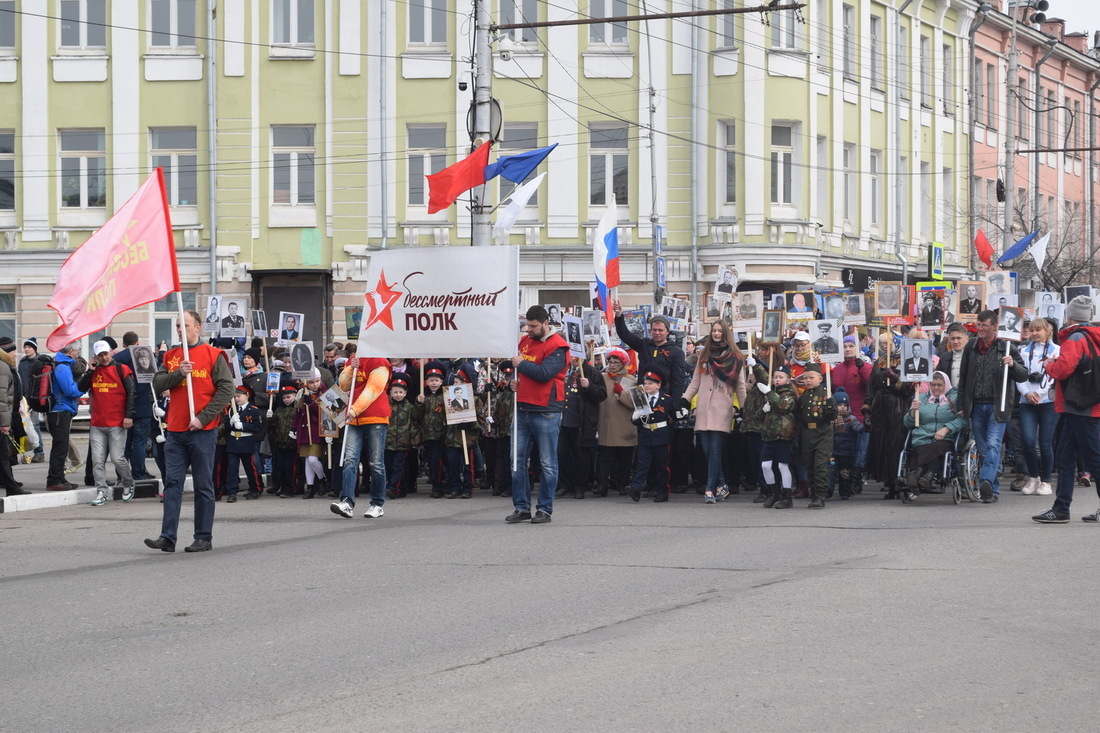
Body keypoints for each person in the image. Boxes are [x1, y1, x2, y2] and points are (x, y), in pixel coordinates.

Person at [144, 310, 235, 553]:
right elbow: (157, 383)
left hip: (202, 430)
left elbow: (226, 390)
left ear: (197, 327)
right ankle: (167, 537)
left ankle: (203, 537)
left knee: (203, 484)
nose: (180, 329)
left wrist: (204, 417)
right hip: (175, 428)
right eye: (177, 326)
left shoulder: (214, 355)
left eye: (184, 325)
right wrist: (178, 373)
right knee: (172, 483)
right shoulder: (172, 355)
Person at [1032, 296, 1100, 523]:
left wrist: (1050, 365)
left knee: (1092, 458)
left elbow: (1063, 369)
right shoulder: (1093, 336)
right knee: (1066, 456)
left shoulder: (1076, 338)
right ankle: (1061, 508)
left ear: (1070, 316)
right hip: (1088, 404)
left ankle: (1061, 509)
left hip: (1080, 406)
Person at [956, 310, 1028, 503]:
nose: (980, 329)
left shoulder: (1006, 347)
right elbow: (963, 378)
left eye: (984, 325)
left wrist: (1012, 365)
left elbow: (1023, 375)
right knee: (982, 448)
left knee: (993, 444)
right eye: (978, 325)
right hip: (976, 406)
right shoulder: (971, 346)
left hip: (998, 405)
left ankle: (986, 480)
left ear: (995, 326)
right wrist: (961, 403)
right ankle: (992, 490)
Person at [506, 304, 569, 524]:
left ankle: (544, 509)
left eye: (533, 326)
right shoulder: (524, 342)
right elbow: (517, 369)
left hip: (546, 410)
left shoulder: (558, 346)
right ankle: (522, 507)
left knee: (547, 463)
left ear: (545, 323)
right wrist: (512, 381)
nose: (529, 330)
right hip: (522, 407)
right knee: (517, 460)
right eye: (527, 326)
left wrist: (521, 365)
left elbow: (544, 374)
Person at [682, 320, 746, 504]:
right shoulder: (704, 353)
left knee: (716, 450)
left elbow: (740, 386)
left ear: (726, 333)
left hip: (722, 407)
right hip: (703, 408)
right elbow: (695, 381)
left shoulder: (735, 356)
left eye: (720, 331)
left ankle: (710, 489)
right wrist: (685, 399)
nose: (716, 333)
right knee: (707, 450)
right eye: (714, 330)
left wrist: (744, 407)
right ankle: (722, 484)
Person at [329, 354, 391, 519]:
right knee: (350, 460)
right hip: (354, 418)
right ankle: (347, 502)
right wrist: (350, 368)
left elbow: (373, 390)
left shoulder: (380, 361)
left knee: (376, 463)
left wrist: (353, 410)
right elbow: (343, 385)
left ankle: (377, 504)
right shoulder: (354, 358)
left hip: (375, 416)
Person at [77, 340, 136, 506]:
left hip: (117, 423)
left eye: (106, 354)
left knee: (118, 459)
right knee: (97, 460)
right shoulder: (93, 372)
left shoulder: (122, 369)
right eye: (100, 355)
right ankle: (101, 491)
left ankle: (128, 482)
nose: (104, 358)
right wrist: (89, 370)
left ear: (111, 352)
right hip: (97, 423)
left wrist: (129, 415)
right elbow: (80, 388)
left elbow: (131, 393)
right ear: (96, 356)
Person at [901, 371, 966, 498]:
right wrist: (913, 413)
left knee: (938, 446)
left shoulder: (955, 398)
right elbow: (906, 422)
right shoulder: (921, 397)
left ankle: (918, 472)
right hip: (922, 436)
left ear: (946, 385)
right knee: (920, 447)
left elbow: (964, 420)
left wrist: (947, 429)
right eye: (933, 385)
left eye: (939, 385)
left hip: (945, 437)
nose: (936, 388)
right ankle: (925, 477)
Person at [865, 332, 914, 500]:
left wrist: (894, 378)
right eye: (882, 344)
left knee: (895, 444)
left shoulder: (903, 361)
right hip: (880, 407)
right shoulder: (878, 363)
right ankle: (888, 482)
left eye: (889, 343)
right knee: (882, 445)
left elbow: (909, 389)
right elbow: (871, 387)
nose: (886, 346)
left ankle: (898, 481)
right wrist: (867, 409)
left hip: (897, 406)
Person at [1015, 318, 1059, 497]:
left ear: (1047, 331)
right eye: (1032, 330)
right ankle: (1034, 476)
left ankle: (1046, 481)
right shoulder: (1024, 350)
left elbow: (1054, 375)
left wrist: (1039, 394)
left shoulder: (1056, 350)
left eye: (1038, 330)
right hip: (1027, 402)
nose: (1034, 333)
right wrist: (1026, 394)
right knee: (1027, 440)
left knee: (1045, 442)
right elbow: (1020, 375)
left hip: (1048, 401)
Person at [613, 301, 688, 402]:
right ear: (650, 331)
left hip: (663, 399)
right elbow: (624, 335)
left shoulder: (676, 352)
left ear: (667, 332)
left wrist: (674, 405)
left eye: (660, 330)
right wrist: (619, 316)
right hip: (642, 397)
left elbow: (678, 381)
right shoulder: (644, 344)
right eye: (654, 330)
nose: (657, 333)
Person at [555, 356, 606, 500]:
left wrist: (589, 386)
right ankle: (565, 484)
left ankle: (580, 486)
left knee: (581, 456)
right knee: (561, 454)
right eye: (571, 356)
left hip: (581, 421)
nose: (573, 359)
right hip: (564, 421)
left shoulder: (592, 372)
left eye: (576, 356)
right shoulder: (565, 370)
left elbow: (602, 395)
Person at [624, 366, 675, 503]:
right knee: (642, 464)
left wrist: (680, 414)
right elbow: (635, 419)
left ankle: (662, 491)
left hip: (661, 435)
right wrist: (638, 418)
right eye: (645, 383)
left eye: (650, 383)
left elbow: (673, 416)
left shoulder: (667, 400)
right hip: (646, 434)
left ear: (658, 385)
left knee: (661, 466)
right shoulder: (640, 398)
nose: (647, 386)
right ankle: (635, 488)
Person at [113, 333, 156, 481]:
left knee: (124, 443)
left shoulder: (118, 358)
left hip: (123, 408)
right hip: (143, 406)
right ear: (137, 342)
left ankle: (122, 475)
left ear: (123, 344)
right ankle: (138, 473)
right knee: (139, 443)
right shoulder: (145, 355)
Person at [793, 364, 836, 509]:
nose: (808, 381)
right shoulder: (803, 397)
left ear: (820, 378)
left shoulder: (826, 394)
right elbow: (799, 418)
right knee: (809, 465)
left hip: (822, 433)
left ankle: (820, 495)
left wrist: (830, 406)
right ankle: (814, 491)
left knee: (819, 465)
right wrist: (796, 437)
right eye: (805, 378)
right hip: (807, 434)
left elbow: (832, 416)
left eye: (811, 378)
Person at [756, 365, 798, 508]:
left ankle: (787, 496)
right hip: (769, 435)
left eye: (781, 377)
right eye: (775, 377)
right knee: (765, 466)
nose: (777, 380)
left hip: (783, 435)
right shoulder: (771, 394)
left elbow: (783, 406)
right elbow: (758, 417)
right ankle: (774, 492)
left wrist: (769, 392)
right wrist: (763, 410)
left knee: (782, 466)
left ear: (787, 379)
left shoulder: (790, 394)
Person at [444, 363, 486, 500]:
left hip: (468, 438)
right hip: (452, 438)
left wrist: (468, 423)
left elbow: (481, 420)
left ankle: (468, 488)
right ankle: (455, 487)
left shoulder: (474, 399)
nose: (454, 384)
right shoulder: (450, 398)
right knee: (453, 464)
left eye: (457, 382)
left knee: (469, 465)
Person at [45, 342, 83, 492]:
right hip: (60, 411)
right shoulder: (62, 367)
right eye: (77, 351)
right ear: (70, 351)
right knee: (60, 447)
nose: (78, 354)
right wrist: (82, 387)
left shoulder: (62, 364)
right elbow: (70, 391)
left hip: (60, 410)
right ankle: (54, 480)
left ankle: (60, 478)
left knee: (61, 445)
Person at [0, 338, 30, 496]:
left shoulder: (7, 367)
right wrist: (5, 423)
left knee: (4, 455)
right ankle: (12, 488)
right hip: (3, 419)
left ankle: (11, 485)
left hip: (8, 415)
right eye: (13, 351)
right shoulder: (3, 367)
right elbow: (2, 398)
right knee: (4, 455)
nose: (15, 355)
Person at [224, 385, 263, 501]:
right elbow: (226, 426)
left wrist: (243, 426)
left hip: (246, 442)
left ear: (247, 396)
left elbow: (257, 427)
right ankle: (232, 492)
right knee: (232, 469)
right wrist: (230, 422)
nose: (236, 399)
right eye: (235, 397)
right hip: (233, 442)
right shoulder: (232, 409)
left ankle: (255, 489)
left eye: (239, 396)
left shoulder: (254, 410)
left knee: (250, 468)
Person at [416, 360, 449, 498]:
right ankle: (436, 486)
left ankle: (443, 485)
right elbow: (417, 416)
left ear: (441, 381)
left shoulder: (446, 396)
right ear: (427, 382)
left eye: (436, 380)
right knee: (432, 462)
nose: (434, 383)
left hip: (443, 435)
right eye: (431, 380)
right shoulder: (424, 397)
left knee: (443, 462)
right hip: (428, 435)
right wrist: (419, 403)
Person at [385, 372, 420, 499]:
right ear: (390, 393)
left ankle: (393, 488)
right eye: (395, 392)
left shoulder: (410, 407)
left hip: (403, 443)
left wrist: (419, 403)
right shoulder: (386, 407)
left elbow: (416, 420)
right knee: (389, 466)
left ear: (405, 393)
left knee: (398, 466)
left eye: (401, 392)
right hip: (388, 442)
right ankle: (401, 488)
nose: (398, 395)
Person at [829, 387, 863, 500]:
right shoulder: (831, 419)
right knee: (831, 472)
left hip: (847, 452)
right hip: (832, 451)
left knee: (845, 473)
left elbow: (858, 428)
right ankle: (828, 490)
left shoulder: (851, 419)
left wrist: (865, 427)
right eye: (839, 405)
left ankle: (845, 492)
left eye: (844, 404)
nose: (842, 407)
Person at [268, 384, 299, 497]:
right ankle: (282, 486)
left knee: (290, 467)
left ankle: (290, 488)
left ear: (295, 395)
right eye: (284, 398)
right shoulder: (279, 410)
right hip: (280, 443)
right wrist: (270, 418)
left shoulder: (298, 409)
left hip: (292, 444)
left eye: (289, 397)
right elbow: (273, 426)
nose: (286, 400)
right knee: (280, 466)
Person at [17, 337, 44, 464]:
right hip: (23, 399)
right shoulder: (22, 362)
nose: (27, 349)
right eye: (25, 347)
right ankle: (25, 451)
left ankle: (39, 452)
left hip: (35, 398)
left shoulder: (40, 361)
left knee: (35, 425)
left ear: (35, 349)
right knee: (25, 426)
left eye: (29, 347)